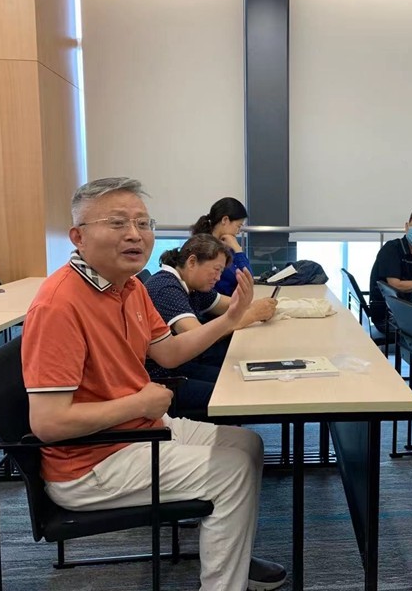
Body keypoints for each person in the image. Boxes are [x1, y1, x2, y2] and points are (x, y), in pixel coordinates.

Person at [22, 177, 286, 591]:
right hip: (91, 463)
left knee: (247, 445)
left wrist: (232, 319)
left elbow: (170, 353)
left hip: (138, 431)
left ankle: (230, 555)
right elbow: (48, 424)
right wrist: (139, 404)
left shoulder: (130, 287)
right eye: (117, 223)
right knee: (232, 471)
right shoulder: (59, 304)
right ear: (78, 237)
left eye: (143, 223)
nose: (135, 234)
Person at [144, 233, 277, 410]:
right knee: (242, 389)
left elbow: (232, 306)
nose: (218, 278)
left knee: (245, 375)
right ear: (192, 262)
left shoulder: (193, 285)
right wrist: (251, 315)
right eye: (216, 270)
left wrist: (250, 305)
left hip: (184, 365)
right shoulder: (165, 287)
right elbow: (195, 335)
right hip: (165, 378)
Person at [191, 197, 250, 296]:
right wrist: (238, 249)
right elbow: (247, 280)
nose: (238, 232)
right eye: (238, 226)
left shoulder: (225, 245)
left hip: (228, 300)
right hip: (219, 303)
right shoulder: (206, 250)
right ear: (225, 220)